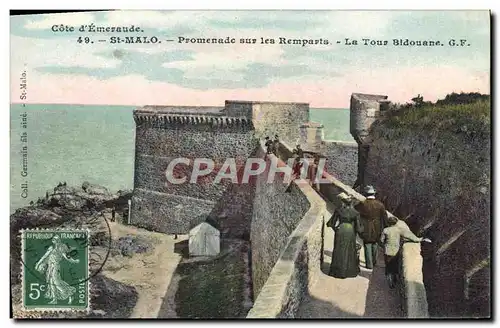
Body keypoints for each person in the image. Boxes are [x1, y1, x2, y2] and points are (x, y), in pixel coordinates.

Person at [380, 215, 431, 288]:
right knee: (395, 265)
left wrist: (385, 244)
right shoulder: (399, 230)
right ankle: (395, 280)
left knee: (388, 267)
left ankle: (390, 282)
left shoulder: (385, 230)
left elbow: (381, 240)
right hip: (395, 251)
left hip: (387, 251)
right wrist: (420, 239)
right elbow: (410, 236)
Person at [35, 235, 79, 305]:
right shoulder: (51, 248)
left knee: (56, 282)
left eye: (55, 240)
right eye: (53, 240)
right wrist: (38, 264)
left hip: (55, 266)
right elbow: (44, 257)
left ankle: (70, 294)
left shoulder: (61, 249)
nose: (54, 241)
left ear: (58, 241)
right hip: (50, 267)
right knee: (51, 282)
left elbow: (67, 257)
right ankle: (54, 299)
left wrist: (74, 261)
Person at [327, 193, 363, 278]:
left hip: (340, 229)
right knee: (349, 251)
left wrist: (336, 229)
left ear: (344, 203)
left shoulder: (339, 210)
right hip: (350, 231)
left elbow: (331, 223)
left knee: (338, 250)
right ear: (351, 203)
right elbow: (358, 228)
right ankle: (348, 272)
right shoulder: (355, 213)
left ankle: (337, 271)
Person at [354, 185, 388, 270]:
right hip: (377, 226)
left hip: (366, 226)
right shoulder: (380, 205)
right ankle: (374, 261)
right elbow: (385, 218)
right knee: (375, 243)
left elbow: (354, 210)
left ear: (366, 194)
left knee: (367, 244)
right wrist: (386, 228)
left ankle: (369, 264)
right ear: (374, 194)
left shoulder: (363, 204)